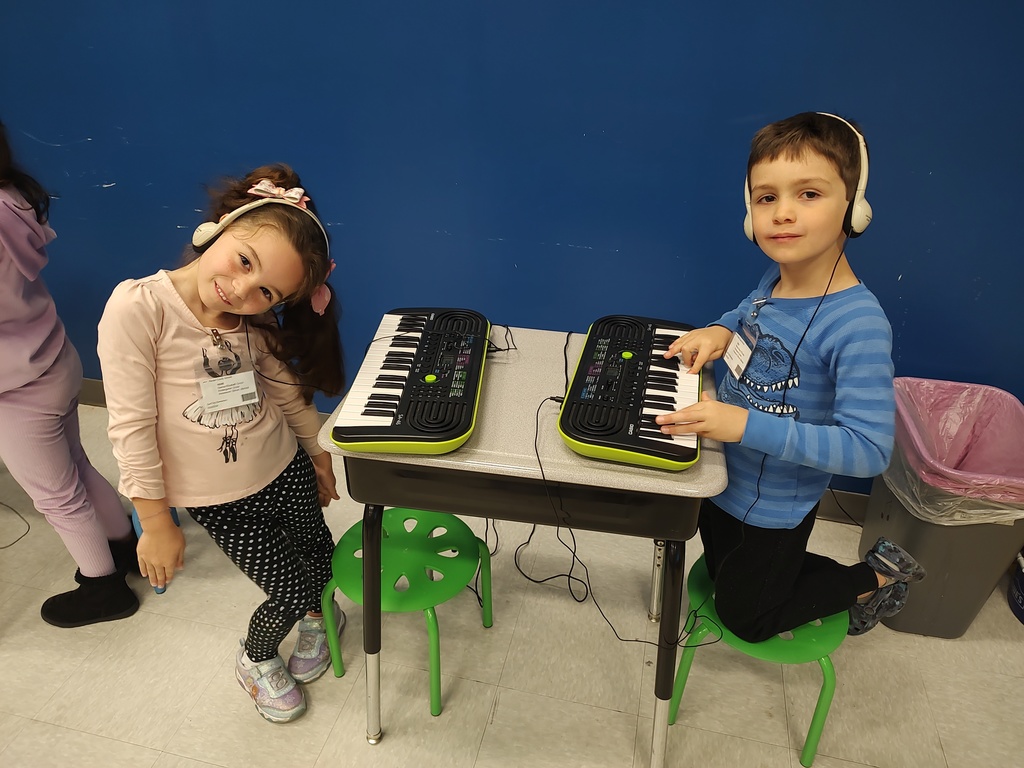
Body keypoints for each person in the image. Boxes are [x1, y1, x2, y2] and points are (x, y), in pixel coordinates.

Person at [656, 112, 924, 641]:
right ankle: (794, 579)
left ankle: (874, 578)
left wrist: (743, 426)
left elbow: (869, 450)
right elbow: (746, 315)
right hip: (723, 479)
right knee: (723, 568)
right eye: (766, 198)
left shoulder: (859, 325)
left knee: (746, 617)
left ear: (854, 208)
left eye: (808, 194)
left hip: (776, 507)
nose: (782, 214)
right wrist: (719, 330)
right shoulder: (775, 279)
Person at [97, 164, 347, 723]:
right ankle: (256, 658)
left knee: (319, 560)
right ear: (220, 226)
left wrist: (318, 455)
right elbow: (130, 424)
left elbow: (286, 393)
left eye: (266, 292)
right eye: (243, 261)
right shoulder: (140, 308)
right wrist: (155, 519)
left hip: (283, 467)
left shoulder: (245, 322)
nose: (241, 289)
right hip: (221, 501)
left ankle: (319, 616)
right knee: (285, 588)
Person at [0, 119, 139, 628]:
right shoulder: (10, 197)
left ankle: (104, 588)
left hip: (15, 390)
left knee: (56, 497)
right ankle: (126, 545)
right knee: (75, 465)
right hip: (55, 359)